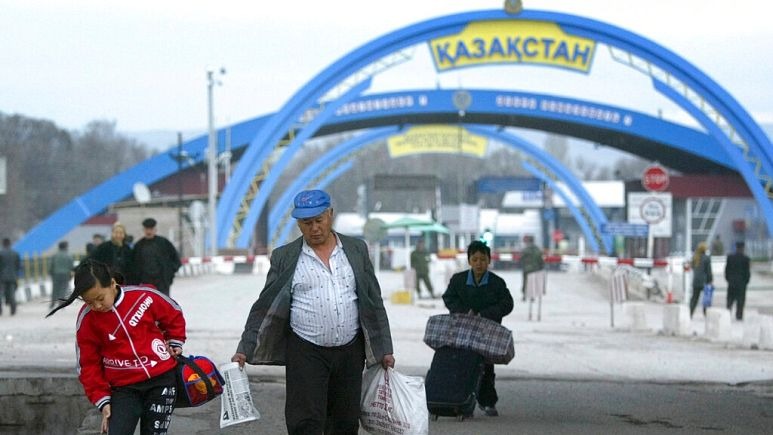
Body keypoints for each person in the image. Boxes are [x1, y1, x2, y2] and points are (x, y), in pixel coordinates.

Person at [231, 189, 395, 435]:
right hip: (305, 350)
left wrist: (385, 349)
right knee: (305, 421)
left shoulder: (356, 249)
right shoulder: (285, 257)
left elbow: (373, 301)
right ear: (298, 224)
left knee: (345, 421)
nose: (314, 228)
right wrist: (245, 347)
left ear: (330, 215)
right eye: (307, 223)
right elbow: (264, 305)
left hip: (350, 351)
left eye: (319, 220)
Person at [46, 259, 186, 435]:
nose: (96, 306)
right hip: (124, 388)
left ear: (112, 283)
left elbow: (173, 312)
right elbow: (88, 365)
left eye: (100, 298)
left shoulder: (144, 296)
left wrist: (175, 341)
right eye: (89, 302)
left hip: (162, 380)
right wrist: (102, 400)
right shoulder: (87, 320)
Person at [442, 240, 514, 417]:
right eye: (475, 260)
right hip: (462, 330)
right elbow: (448, 298)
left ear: (489, 260)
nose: (479, 263)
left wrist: (486, 314)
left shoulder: (497, 283)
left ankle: (488, 402)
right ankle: (462, 402)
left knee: (486, 367)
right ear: (469, 261)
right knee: (463, 365)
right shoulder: (458, 280)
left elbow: (507, 304)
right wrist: (465, 311)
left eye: (483, 259)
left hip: (488, 333)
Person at [132, 218, 181, 296]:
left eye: (151, 229)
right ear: (144, 230)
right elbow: (134, 265)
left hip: (162, 283)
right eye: (147, 229)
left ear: (155, 229)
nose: (149, 232)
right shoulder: (139, 246)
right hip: (145, 284)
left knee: (164, 305)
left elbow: (176, 259)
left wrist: (169, 274)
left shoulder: (164, 243)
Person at [725, 241, 751, 320]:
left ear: (736, 248)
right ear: (743, 248)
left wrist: (728, 279)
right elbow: (747, 273)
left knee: (730, 300)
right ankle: (739, 316)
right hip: (741, 284)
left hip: (731, 283)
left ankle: (727, 315)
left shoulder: (730, 257)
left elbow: (726, 270)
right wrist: (746, 282)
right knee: (740, 301)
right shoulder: (746, 259)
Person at [689, 242, 713, 318]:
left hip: (696, 281)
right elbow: (708, 271)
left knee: (694, 298)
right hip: (704, 281)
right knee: (706, 298)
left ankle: (690, 312)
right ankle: (705, 313)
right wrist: (710, 280)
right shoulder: (706, 258)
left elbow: (692, 267)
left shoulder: (695, 258)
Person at [49, 241, 74, 309]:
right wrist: (71, 276)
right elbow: (71, 267)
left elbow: (51, 266)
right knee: (63, 288)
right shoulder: (68, 256)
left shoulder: (55, 256)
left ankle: (52, 303)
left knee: (55, 289)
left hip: (56, 274)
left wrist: (51, 274)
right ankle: (61, 302)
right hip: (65, 274)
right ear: (66, 247)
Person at [0, 238, 22, 316]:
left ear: (3, 244)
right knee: (12, 294)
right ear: (10, 244)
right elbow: (19, 266)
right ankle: (13, 310)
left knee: (1, 294)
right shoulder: (15, 253)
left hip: (2, 277)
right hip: (13, 277)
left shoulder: (1, 253)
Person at [520, 235, 544, 302]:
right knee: (533, 282)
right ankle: (532, 296)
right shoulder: (537, 249)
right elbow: (540, 259)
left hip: (526, 269)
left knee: (525, 282)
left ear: (528, 241)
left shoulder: (525, 249)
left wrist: (523, 265)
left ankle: (524, 295)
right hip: (535, 269)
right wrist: (541, 267)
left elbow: (521, 259)